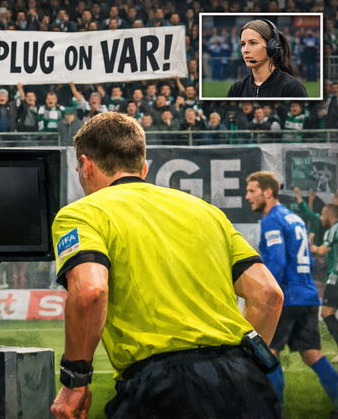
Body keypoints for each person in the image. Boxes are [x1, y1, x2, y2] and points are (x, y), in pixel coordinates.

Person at [51, 112, 283, 419]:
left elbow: (90, 291)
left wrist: (74, 381)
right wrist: (243, 366)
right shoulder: (207, 212)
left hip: (162, 386)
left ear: (86, 165)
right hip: (246, 383)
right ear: (143, 168)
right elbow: (268, 294)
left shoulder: (81, 213)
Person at [245, 171, 338, 416]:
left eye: (252, 191)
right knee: (311, 354)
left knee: (268, 353)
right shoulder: (293, 218)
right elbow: (306, 259)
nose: (247, 196)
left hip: (287, 297)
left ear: (268, 192)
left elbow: (276, 262)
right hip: (307, 296)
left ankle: (275, 411)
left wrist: (265, 292)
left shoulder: (272, 220)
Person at [227, 19, 308, 98]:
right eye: (243, 44)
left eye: (253, 43)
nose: (245, 50)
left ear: (272, 47)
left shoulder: (292, 88)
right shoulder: (236, 89)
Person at [311, 205, 338, 362]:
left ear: (329, 216)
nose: (321, 218)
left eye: (322, 215)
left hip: (336, 278)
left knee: (326, 313)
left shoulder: (334, 229)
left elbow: (321, 250)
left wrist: (310, 245)